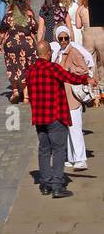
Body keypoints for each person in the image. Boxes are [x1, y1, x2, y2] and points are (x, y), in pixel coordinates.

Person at [25, 41, 89, 198]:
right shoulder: (52, 68)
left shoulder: (31, 70)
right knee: (59, 150)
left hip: (40, 117)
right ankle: (57, 186)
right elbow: (70, 78)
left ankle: (45, 184)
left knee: (44, 149)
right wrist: (86, 79)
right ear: (48, 53)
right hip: (55, 115)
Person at [51, 30, 96, 171]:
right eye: (61, 38)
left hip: (72, 96)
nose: (63, 40)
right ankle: (71, 158)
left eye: (66, 38)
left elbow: (84, 69)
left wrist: (69, 69)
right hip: (63, 96)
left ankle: (81, 159)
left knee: (75, 128)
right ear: (57, 39)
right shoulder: (59, 52)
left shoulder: (74, 52)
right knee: (68, 128)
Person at [0, 0, 39, 103]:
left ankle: (15, 90)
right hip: (27, 44)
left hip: (11, 44)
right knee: (26, 67)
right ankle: (26, 96)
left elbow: (2, 31)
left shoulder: (8, 16)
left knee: (12, 66)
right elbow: (35, 29)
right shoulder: (28, 16)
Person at [76, 0, 104, 83]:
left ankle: (93, 84)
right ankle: (102, 84)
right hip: (101, 35)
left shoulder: (80, 9)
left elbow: (78, 25)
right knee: (102, 63)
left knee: (90, 63)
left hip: (87, 38)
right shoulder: (100, 8)